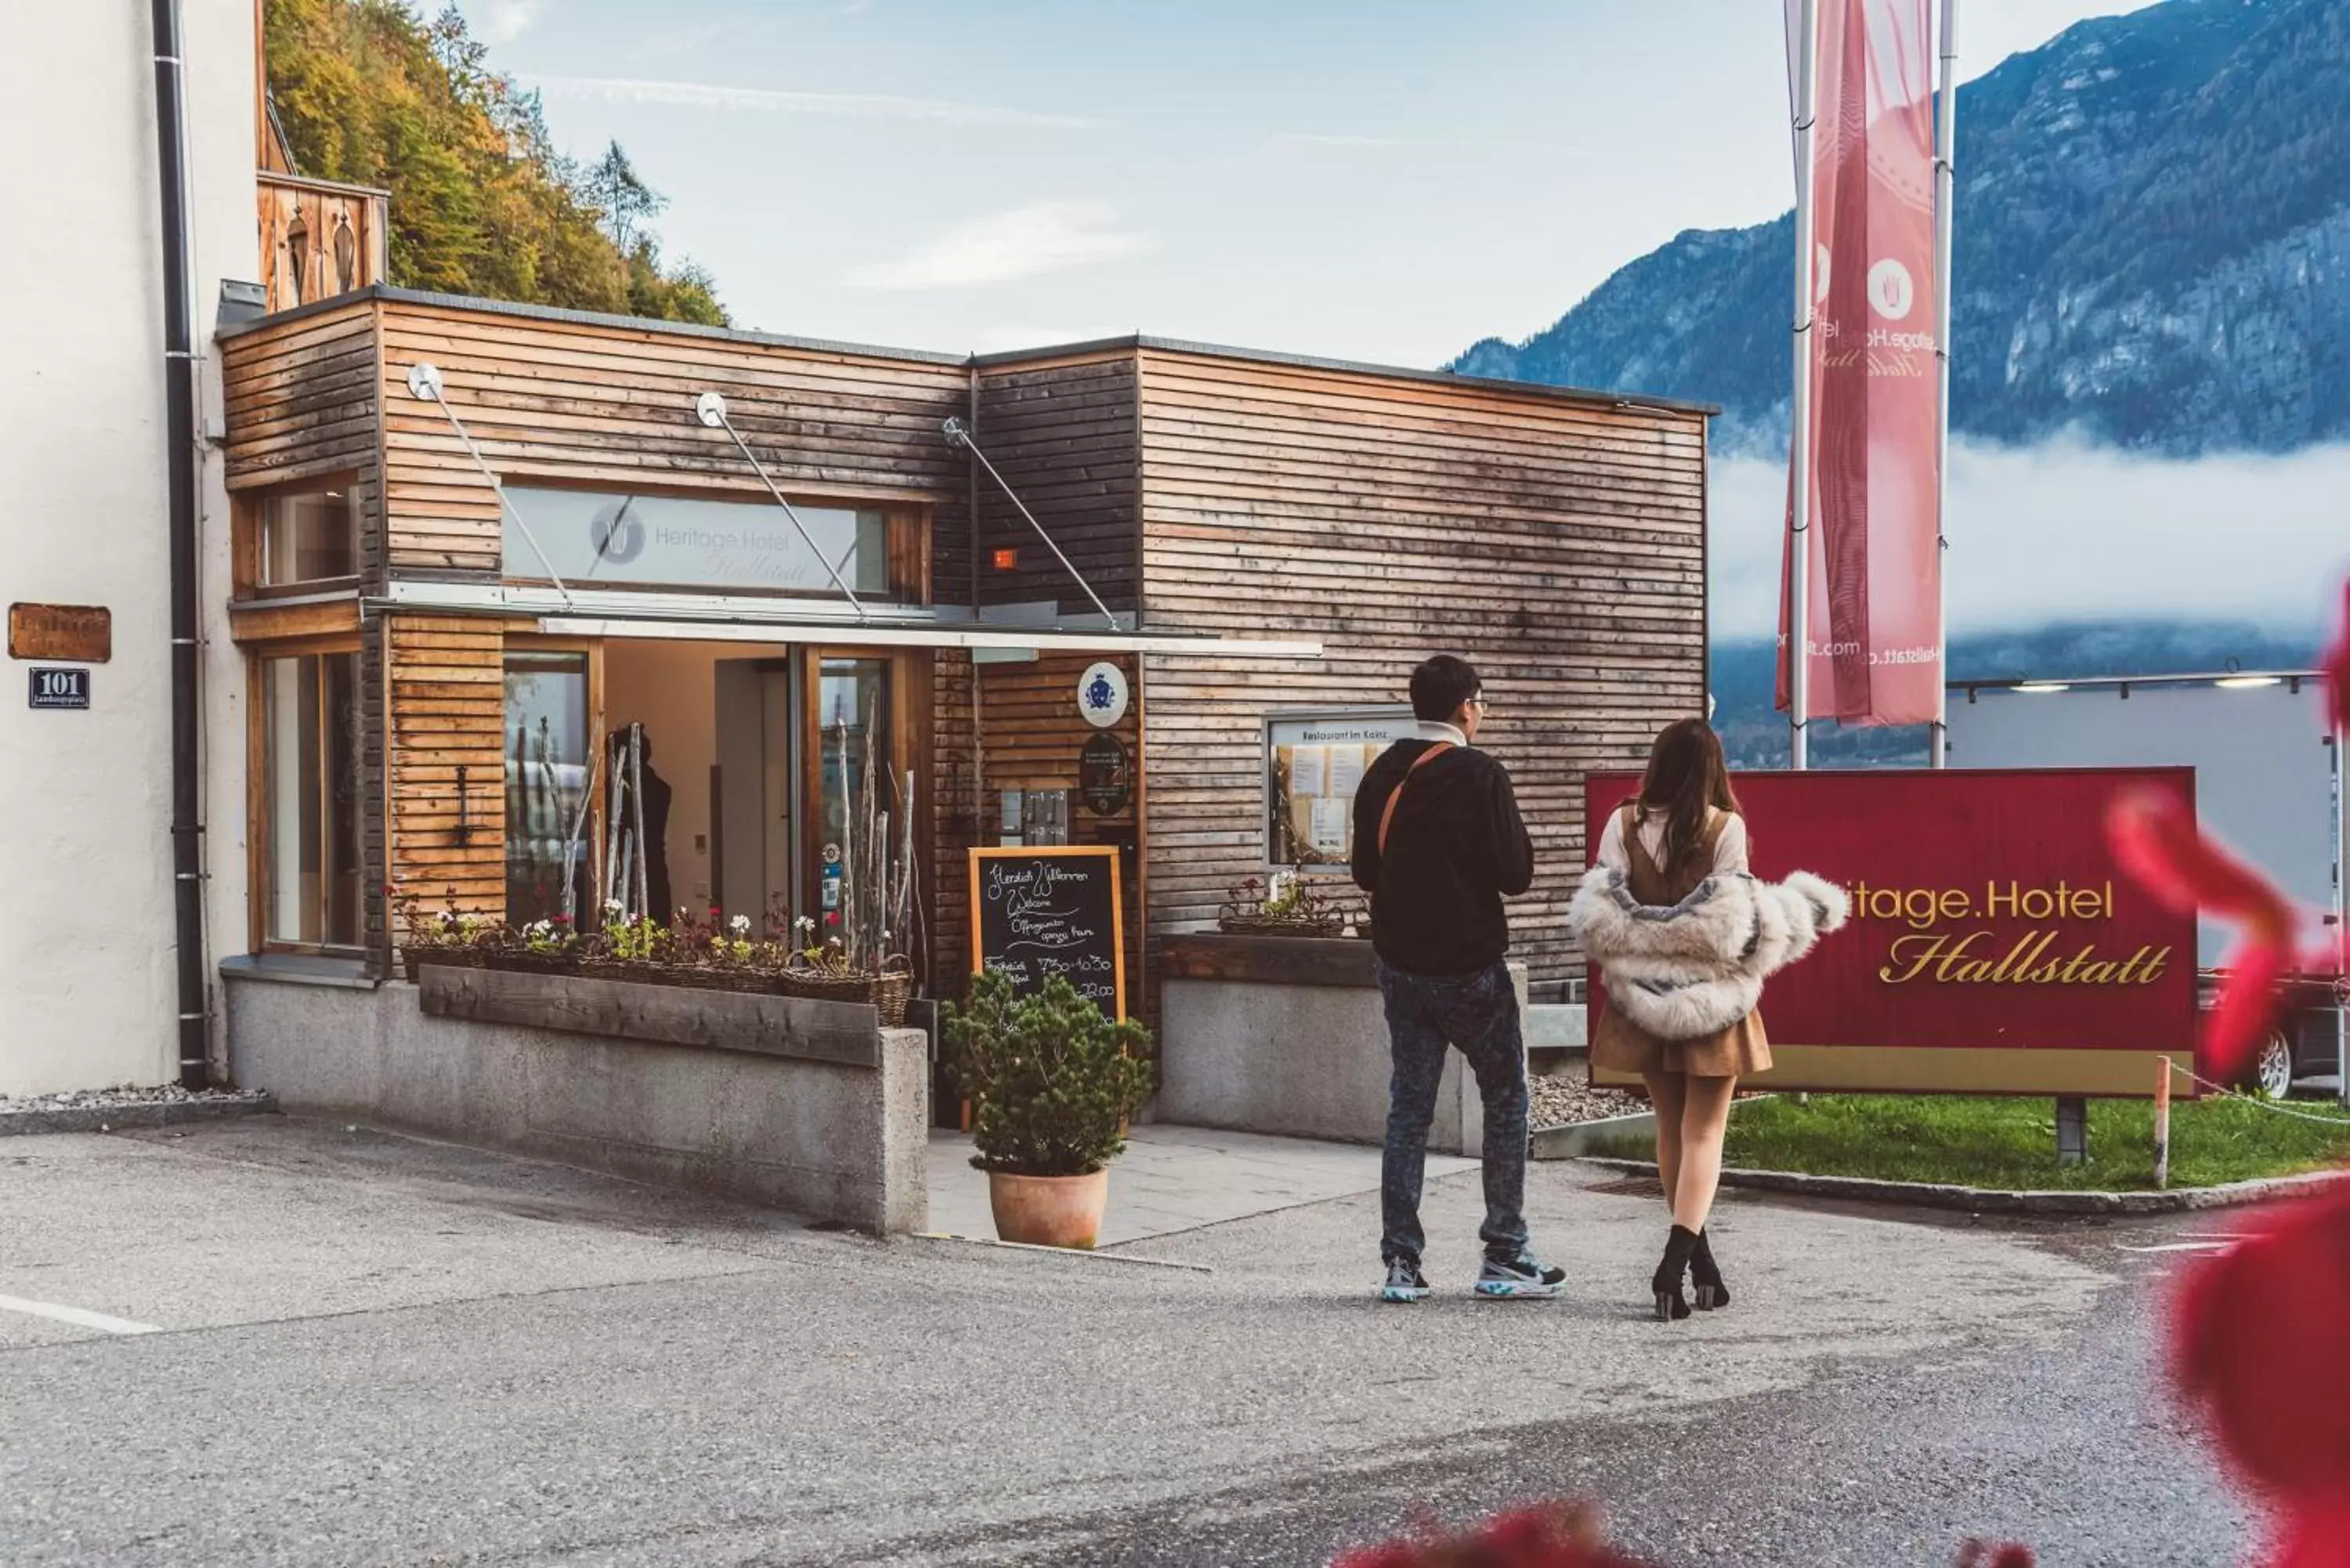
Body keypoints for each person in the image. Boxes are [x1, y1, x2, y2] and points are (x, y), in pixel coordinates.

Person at [1352, 654, 1564, 1303]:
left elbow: (1365, 871)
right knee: (1505, 1097)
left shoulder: (1381, 772)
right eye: (1482, 702)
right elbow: (1516, 873)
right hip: (1469, 969)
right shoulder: (1480, 774)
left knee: (1409, 1110)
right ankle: (1505, 1253)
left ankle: (1401, 1263)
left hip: (1401, 970)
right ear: (1467, 706)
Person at [1588, 717, 1767, 1321]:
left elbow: (1604, 905)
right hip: (1711, 1000)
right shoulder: (1725, 828)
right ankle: (1673, 1261)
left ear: (1658, 764)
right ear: (1713, 768)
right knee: (1705, 1134)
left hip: (1644, 999)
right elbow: (1734, 921)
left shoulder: (1623, 822)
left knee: (1671, 1130)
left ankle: (1702, 1266)